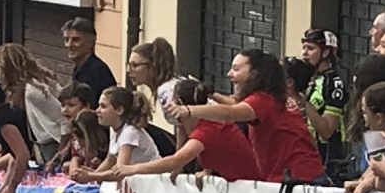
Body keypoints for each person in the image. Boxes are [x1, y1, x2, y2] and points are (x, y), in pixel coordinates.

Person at [172, 49, 325, 184]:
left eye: (236, 69)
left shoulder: (263, 100)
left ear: (254, 74)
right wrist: (211, 93)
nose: (229, 74)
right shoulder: (272, 97)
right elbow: (235, 104)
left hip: (300, 180)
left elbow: (230, 112)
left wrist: (188, 110)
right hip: (298, 176)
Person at [111, 78, 260, 183]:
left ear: (181, 105)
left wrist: (132, 169)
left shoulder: (206, 130)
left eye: (173, 100)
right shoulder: (201, 125)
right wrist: (208, 170)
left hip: (250, 187)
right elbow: (221, 150)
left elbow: (176, 160)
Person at [70, 85, 160, 183]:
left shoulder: (130, 132)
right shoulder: (114, 129)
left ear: (119, 110)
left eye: (103, 106)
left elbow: (120, 172)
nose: (97, 111)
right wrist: (93, 176)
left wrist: (92, 176)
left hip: (152, 181)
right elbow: (110, 160)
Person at [0, 43, 64, 163]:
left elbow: (63, 118)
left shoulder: (34, 91)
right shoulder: (32, 85)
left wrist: (61, 150)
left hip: (54, 143)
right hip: (45, 143)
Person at [299, 28, 351, 179]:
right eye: (304, 48)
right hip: (307, 155)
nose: (304, 53)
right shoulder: (309, 78)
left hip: (329, 159)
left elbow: (327, 130)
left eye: (310, 48)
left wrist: (305, 103)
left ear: (326, 52)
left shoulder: (334, 83)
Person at [126, 37, 179, 132]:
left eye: (135, 65)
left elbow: (184, 125)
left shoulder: (167, 90)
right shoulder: (166, 87)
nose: (128, 70)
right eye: (128, 65)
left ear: (152, 66)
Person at [62, 17, 116, 104]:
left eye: (76, 40)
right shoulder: (79, 68)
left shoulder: (98, 71)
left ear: (91, 42)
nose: (69, 45)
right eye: (66, 40)